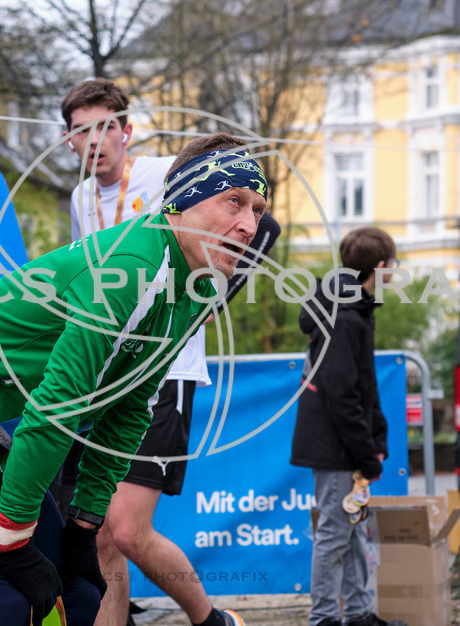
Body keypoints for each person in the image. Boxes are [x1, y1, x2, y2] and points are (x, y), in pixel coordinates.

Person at [0, 132, 268, 626]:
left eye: (257, 209)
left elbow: (128, 409)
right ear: (181, 201)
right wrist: (13, 534)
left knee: (80, 594)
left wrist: (84, 523)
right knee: (9, 600)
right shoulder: (133, 266)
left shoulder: (195, 287)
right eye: (235, 202)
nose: (249, 225)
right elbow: (57, 406)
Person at [62, 78, 278, 626]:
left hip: (167, 371)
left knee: (129, 530)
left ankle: (210, 620)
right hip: (109, 376)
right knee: (98, 529)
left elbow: (263, 226)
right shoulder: (80, 198)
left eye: (105, 127)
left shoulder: (162, 174)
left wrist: (210, 299)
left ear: (126, 131)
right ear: (68, 140)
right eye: (80, 130)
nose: (95, 140)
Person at [291, 227, 405, 626]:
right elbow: (342, 392)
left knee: (353, 531)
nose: (396, 271)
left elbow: (361, 383)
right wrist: (363, 448)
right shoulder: (345, 314)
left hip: (345, 445)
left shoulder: (354, 307)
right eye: (395, 264)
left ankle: (357, 614)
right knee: (335, 535)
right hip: (336, 445)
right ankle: (323, 618)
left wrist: (373, 441)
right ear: (381, 266)